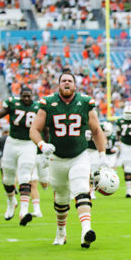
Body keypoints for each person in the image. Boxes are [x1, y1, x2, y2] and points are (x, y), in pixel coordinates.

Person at [30, 71, 108, 248]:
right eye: (63, 80)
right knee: (61, 199)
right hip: (56, 158)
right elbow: (34, 129)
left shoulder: (84, 103)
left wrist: (103, 155)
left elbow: (96, 131)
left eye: (70, 81)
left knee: (81, 189)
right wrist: (42, 145)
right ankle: (61, 231)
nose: (66, 83)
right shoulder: (48, 103)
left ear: (75, 85)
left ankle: (86, 231)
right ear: (58, 84)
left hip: (79, 155)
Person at [0, 87, 39, 225]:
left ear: (32, 96)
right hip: (12, 142)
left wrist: (44, 145)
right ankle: (11, 202)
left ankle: (24, 211)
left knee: (25, 174)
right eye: (24, 96)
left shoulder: (38, 107)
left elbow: (45, 128)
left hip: (29, 144)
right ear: (20, 96)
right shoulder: (13, 103)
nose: (26, 99)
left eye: (28, 96)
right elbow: (0, 113)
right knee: (8, 178)